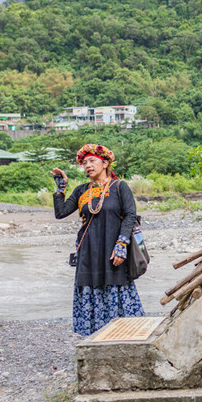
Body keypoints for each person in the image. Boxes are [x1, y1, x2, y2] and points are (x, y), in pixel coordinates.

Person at [51, 144, 144, 336]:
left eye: (92, 161)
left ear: (105, 163)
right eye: (84, 163)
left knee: (116, 285)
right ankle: (93, 335)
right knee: (89, 287)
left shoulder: (119, 187)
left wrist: (121, 245)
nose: (87, 165)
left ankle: (126, 334)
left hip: (113, 250)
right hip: (88, 251)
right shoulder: (81, 191)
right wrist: (61, 188)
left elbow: (130, 216)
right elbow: (61, 213)